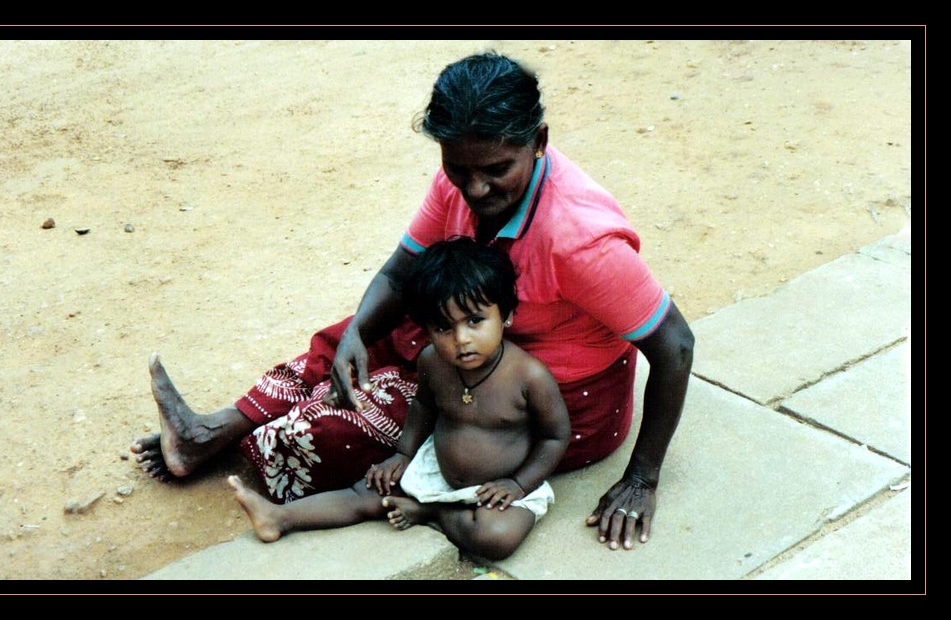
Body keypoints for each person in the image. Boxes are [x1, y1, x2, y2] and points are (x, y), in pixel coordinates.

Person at [131, 51, 695, 552]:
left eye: (497, 171)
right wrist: (357, 335)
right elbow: (402, 270)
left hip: (544, 401)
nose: (474, 191)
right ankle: (213, 434)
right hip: (475, 339)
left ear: (539, 143)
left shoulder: (579, 240)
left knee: (337, 430)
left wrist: (643, 478)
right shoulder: (464, 174)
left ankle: (262, 446)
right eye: (458, 168)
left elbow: (674, 344)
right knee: (347, 339)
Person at [227, 237, 570, 560]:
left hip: (499, 489)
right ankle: (280, 517)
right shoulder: (433, 362)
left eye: (475, 321)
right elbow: (422, 406)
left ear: (506, 315)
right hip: (436, 472)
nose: (461, 339)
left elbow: (555, 436)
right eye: (443, 327)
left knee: (496, 537)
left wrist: (518, 483)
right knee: (367, 491)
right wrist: (403, 454)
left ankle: (428, 512)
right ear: (427, 329)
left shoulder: (529, 377)